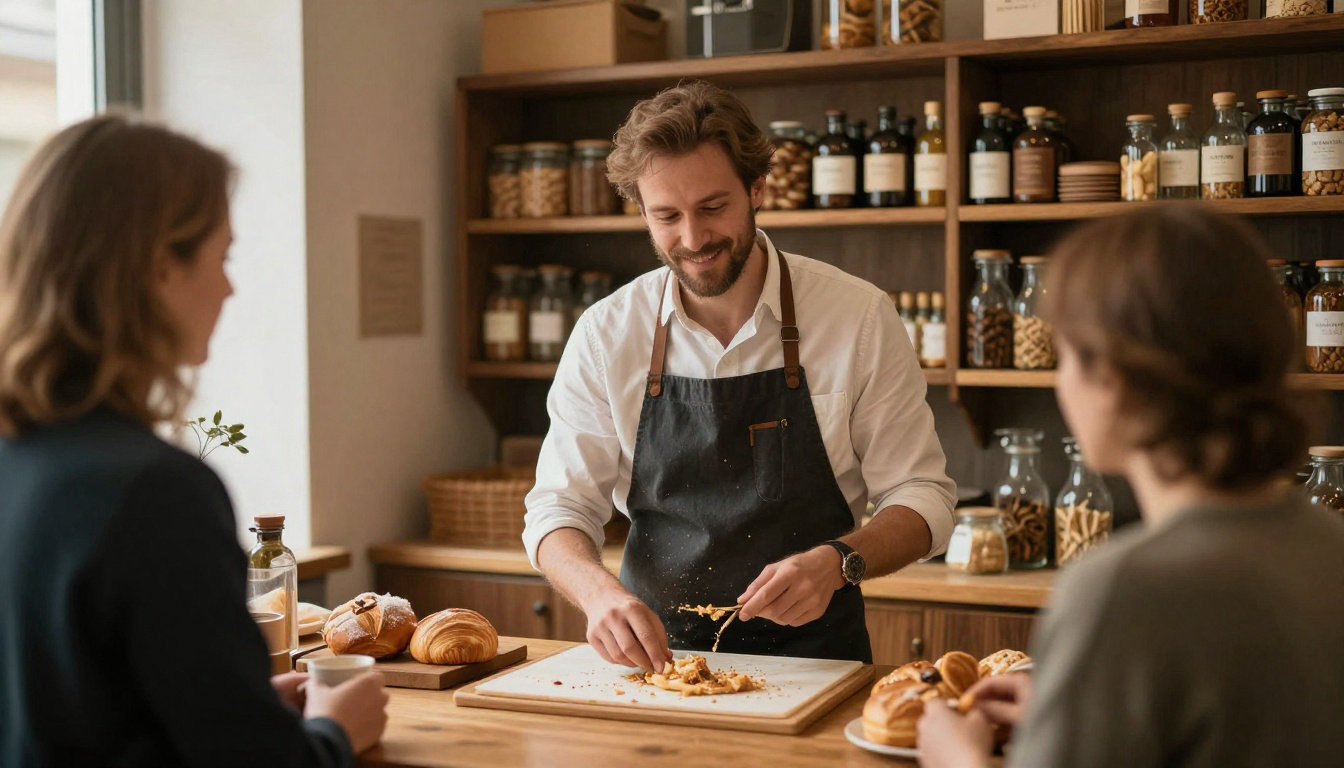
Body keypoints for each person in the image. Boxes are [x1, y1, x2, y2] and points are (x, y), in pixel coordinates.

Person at [522, 81, 956, 670]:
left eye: (712, 207)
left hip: (819, 667)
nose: (692, 239)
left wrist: (838, 562)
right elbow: (558, 509)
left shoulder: (857, 318)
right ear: (642, 212)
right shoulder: (606, 334)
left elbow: (923, 496)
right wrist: (598, 594)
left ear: (757, 189)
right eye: (666, 216)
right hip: (655, 667)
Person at [0, 114, 387, 767]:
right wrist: (334, 733)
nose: (230, 287)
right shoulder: (154, 492)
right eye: (222, 256)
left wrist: (239, 701)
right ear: (159, 268)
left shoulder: (22, 461)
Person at [917, 207, 1344, 768]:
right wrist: (1075, 710)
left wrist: (957, 758)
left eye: (1066, 353)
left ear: (1113, 381)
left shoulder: (1119, 592)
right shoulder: (1328, 545)